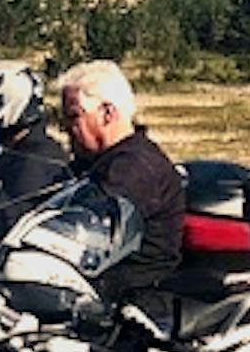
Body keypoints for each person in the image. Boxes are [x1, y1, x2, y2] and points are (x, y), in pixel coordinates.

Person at [52, 58, 184, 307]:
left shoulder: (135, 168)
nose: (66, 129)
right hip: (96, 291)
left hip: (129, 304)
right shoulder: (95, 161)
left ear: (108, 113)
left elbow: (91, 229)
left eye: (73, 116)